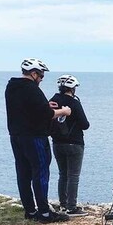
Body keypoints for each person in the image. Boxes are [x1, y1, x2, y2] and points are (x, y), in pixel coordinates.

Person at [5, 58, 72, 223]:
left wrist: (46, 107)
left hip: (16, 136)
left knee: (23, 173)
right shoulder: (31, 89)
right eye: (41, 76)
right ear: (34, 73)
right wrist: (63, 111)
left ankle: (30, 210)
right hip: (34, 136)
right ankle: (44, 212)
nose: (41, 79)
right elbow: (45, 114)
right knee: (40, 172)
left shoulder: (11, 87)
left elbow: (29, 109)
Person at [49, 75, 90, 216]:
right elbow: (85, 125)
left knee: (62, 174)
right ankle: (72, 207)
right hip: (75, 143)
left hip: (57, 142)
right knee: (73, 176)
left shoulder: (52, 101)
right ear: (72, 88)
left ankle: (63, 204)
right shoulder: (74, 103)